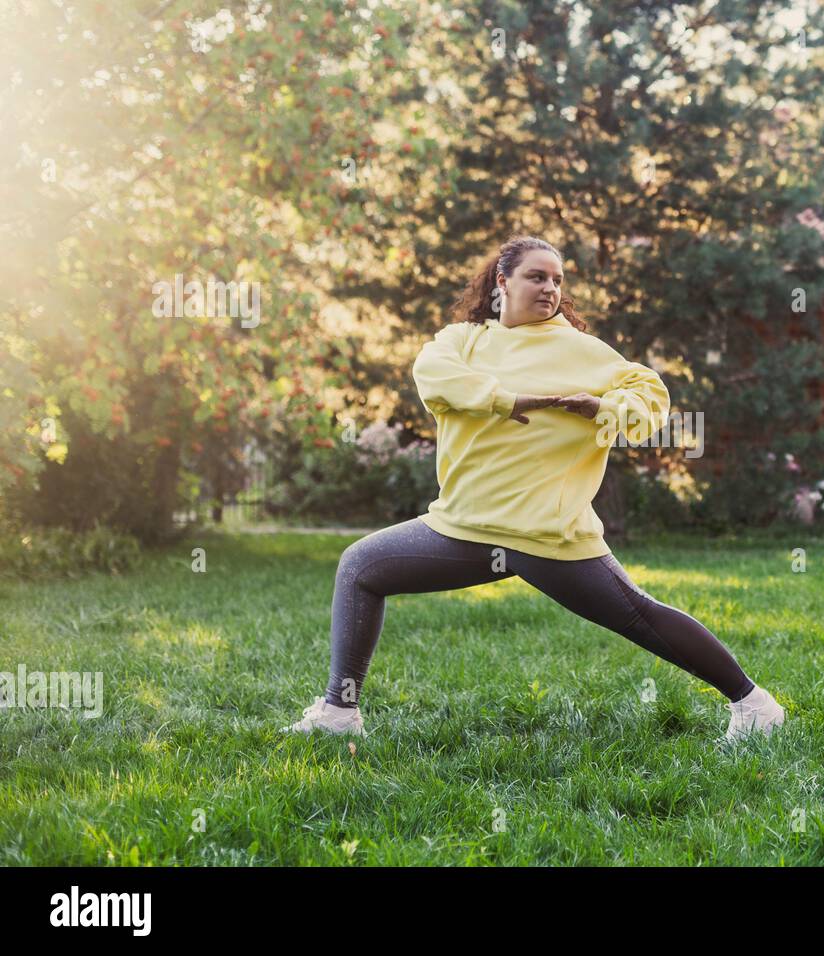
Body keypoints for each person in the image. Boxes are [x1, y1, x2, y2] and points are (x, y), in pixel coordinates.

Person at [283, 235, 785, 743]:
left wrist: (606, 409)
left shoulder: (582, 351)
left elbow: (650, 394)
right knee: (359, 568)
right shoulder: (464, 340)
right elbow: (434, 376)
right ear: (502, 281)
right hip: (465, 527)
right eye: (536, 276)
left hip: (547, 537)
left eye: (557, 280)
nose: (550, 288)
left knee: (639, 615)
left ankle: (754, 704)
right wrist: (505, 399)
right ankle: (338, 711)